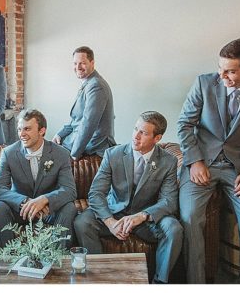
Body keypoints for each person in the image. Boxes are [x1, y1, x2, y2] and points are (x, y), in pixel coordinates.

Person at [177, 38, 240, 284]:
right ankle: (196, 285)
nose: (222, 75)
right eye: (220, 68)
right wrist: (194, 161)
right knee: (190, 217)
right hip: (201, 164)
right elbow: (184, 125)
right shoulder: (204, 83)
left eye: (231, 71)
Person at [74, 111, 183, 283]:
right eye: (135, 129)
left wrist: (142, 216)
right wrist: (110, 222)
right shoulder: (113, 154)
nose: (136, 136)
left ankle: (160, 282)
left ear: (157, 138)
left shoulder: (168, 161)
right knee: (82, 222)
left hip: (146, 218)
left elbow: (168, 200)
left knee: (174, 228)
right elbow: (95, 193)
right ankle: (99, 278)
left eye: (144, 133)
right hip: (115, 211)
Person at [0, 109, 77, 246]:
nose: (21, 134)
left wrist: (44, 200)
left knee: (69, 208)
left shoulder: (61, 154)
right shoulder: (8, 153)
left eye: (27, 129)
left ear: (42, 131)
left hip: (47, 211)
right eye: (19, 129)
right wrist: (25, 201)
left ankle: (59, 258)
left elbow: (69, 190)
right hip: (21, 210)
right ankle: (7, 259)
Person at [52, 46, 116, 159]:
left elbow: (89, 123)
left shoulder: (96, 85)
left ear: (92, 63)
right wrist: (60, 134)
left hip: (93, 145)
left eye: (82, 63)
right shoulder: (88, 83)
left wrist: (74, 154)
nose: (78, 67)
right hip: (77, 139)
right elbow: (76, 119)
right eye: (75, 63)